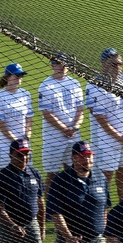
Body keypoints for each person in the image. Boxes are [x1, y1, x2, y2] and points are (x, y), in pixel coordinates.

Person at [86, 48, 123, 201]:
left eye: (119, 64)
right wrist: (119, 137)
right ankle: (101, 213)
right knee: (103, 180)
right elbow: (100, 117)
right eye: (113, 64)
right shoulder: (94, 84)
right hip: (105, 142)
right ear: (103, 64)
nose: (117, 67)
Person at [39, 55, 84, 193]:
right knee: (52, 174)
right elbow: (47, 113)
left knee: (75, 171)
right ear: (52, 65)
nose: (62, 66)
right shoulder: (46, 86)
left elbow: (80, 110)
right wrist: (65, 129)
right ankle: (47, 210)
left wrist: (74, 127)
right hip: (54, 137)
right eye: (58, 64)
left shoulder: (75, 84)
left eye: (65, 63)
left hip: (74, 135)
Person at [0, 63, 33, 169]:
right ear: (8, 77)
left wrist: (27, 135)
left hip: (24, 142)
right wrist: (14, 140)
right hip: (6, 143)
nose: (20, 78)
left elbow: (29, 117)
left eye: (21, 76)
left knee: (26, 171)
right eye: (17, 75)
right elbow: (1, 123)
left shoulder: (26, 94)